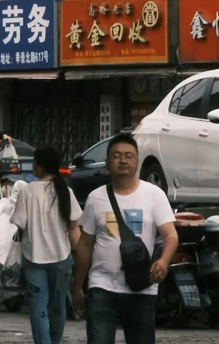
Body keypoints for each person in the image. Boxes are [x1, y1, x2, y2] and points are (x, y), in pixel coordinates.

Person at [70, 134, 177, 344]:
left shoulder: (154, 195)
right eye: (116, 156)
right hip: (102, 287)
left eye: (129, 156)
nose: (123, 160)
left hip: (141, 288)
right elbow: (85, 245)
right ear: (108, 163)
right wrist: (77, 287)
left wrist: (164, 261)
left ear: (137, 162)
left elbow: (171, 235)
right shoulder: (95, 198)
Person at [12, 145, 82, 344]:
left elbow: (20, 225)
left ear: (40, 167)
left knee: (38, 307)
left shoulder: (27, 191)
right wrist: (80, 257)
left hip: (33, 257)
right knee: (58, 306)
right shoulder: (65, 191)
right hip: (61, 258)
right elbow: (74, 228)